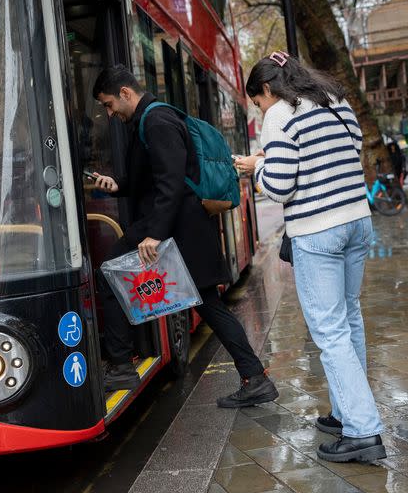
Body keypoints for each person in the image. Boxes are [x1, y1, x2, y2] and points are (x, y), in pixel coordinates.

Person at [91, 65, 279, 408]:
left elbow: (171, 182)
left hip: (180, 228)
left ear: (126, 94)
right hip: (183, 227)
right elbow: (155, 177)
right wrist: (119, 185)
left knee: (111, 269)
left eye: (108, 104)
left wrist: (154, 235)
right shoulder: (150, 119)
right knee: (210, 306)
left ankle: (120, 365)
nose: (109, 113)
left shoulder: (157, 121)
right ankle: (254, 378)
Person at [235, 51, 386, 463]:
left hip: (318, 230)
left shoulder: (280, 114)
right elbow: (346, 151)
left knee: (330, 331)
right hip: (357, 219)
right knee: (349, 317)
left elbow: (281, 186)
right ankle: (344, 412)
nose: (260, 109)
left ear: (267, 88)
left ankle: (362, 430)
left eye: (257, 101)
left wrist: (256, 169)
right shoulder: (335, 99)